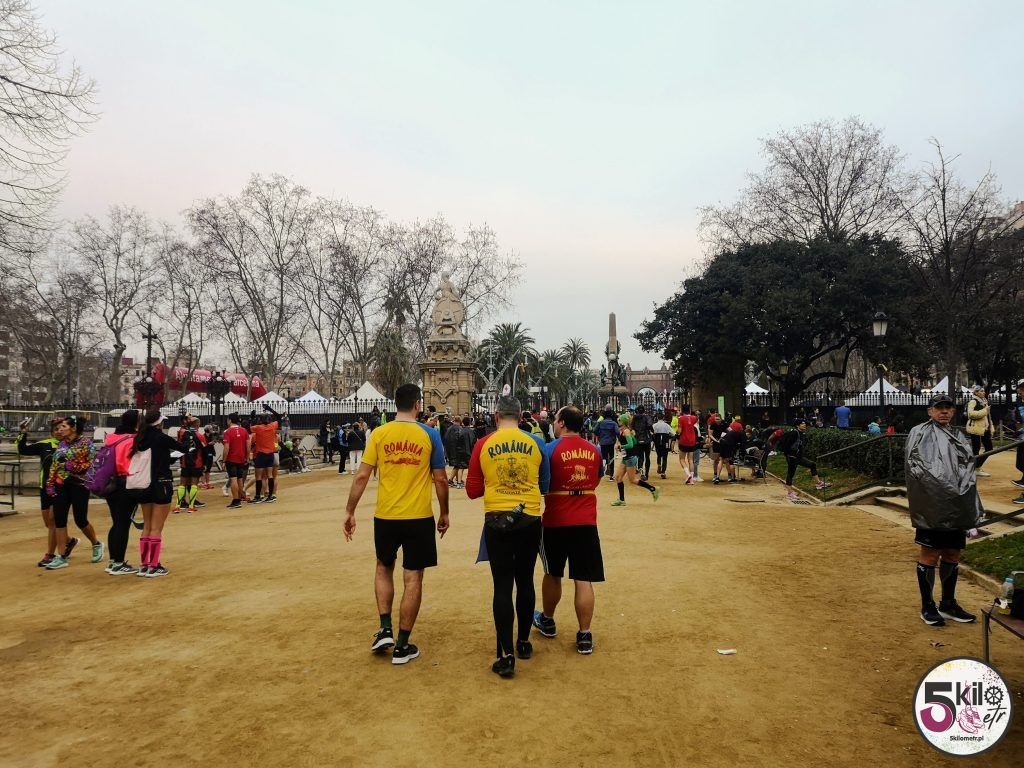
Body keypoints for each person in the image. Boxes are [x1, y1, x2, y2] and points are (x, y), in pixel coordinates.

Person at [343, 383, 450, 666]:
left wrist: (350, 511)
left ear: (395, 404)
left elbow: (362, 476)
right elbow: (440, 479)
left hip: (386, 515)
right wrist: (445, 512)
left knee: (383, 567)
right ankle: (402, 645)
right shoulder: (430, 434)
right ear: (417, 404)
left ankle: (385, 628)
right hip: (418, 516)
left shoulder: (380, 433)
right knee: (413, 577)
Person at [466, 395, 550, 678]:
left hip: (497, 519)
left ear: (497, 416)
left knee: (502, 585)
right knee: (525, 580)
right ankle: (523, 642)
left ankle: (505, 655)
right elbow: (545, 485)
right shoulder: (536, 443)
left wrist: (495, 483)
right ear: (521, 416)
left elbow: (472, 490)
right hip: (529, 518)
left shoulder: (483, 443)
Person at [533, 406, 604, 655]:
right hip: (586, 520)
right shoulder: (594, 450)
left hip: (556, 520)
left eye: (555, 420)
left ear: (562, 423)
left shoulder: (549, 449)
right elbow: (596, 479)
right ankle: (584, 634)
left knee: (552, 573)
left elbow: (542, 483)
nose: (554, 423)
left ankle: (548, 620)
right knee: (583, 578)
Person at [906, 393, 982, 625]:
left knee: (952, 553)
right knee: (930, 554)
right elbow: (916, 467)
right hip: (932, 506)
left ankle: (948, 604)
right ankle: (927, 606)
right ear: (930, 410)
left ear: (953, 411)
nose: (944, 411)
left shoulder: (958, 435)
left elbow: (967, 466)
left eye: (948, 408)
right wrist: (944, 488)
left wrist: (964, 494)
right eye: (939, 408)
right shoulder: (919, 433)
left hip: (957, 505)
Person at [43, 415, 103, 570]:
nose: (60, 430)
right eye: (59, 427)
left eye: (63, 426)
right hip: (61, 484)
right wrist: (50, 483)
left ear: (73, 428)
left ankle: (96, 543)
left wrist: (73, 467)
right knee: (59, 519)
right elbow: (55, 464)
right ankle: (61, 556)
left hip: (79, 484)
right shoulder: (62, 444)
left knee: (80, 519)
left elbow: (92, 464)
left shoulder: (86, 443)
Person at [130, 409, 186, 578]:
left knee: (147, 526)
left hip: (143, 484)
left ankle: (144, 564)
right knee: (156, 527)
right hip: (161, 483)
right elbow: (182, 448)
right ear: (159, 423)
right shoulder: (161, 438)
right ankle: (154, 565)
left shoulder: (139, 438)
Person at [15, 417, 67, 567]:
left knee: (53, 520)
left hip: (62, 488)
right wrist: (23, 432)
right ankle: (69, 541)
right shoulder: (45, 444)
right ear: (51, 432)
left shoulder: (71, 446)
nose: (59, 431)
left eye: (61, 428)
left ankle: (50, 554)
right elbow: (22, 450)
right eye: (55, 429)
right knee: (48, 523)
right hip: (45, 488)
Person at [103, 410, 143, 574]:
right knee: (123, 524)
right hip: (126, 482)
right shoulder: (133, 439)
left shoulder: (111, 438)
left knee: (116, 523)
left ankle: (113, 561)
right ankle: (119, 563)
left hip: (110, 483)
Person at [769, 418, 829, 502]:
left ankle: (818, 483)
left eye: (804, 423)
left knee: (812, 465)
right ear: (797, 426)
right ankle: (790, 493)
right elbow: (787, 446)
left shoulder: (801, 433)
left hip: (799, 457)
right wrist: (788, 455)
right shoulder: (794, 433)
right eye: (802, 423)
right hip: (792, 457)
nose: (804, 425)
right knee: (791, 474)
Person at [611, 413, 660, 506]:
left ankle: (653, 489)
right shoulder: (624, 430)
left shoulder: (626, 431)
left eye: (620, 420)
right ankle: (621, 500)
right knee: (618, 477)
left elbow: (630, 445)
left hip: (630, 458)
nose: (618, 422)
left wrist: (621, 447)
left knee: (632, 480)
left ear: (624, 422)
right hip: (626, 457)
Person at [174, 415, 207, 513]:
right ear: (196, 424)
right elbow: (204, 450)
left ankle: (177, 506)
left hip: (185, 463)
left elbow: (179, 446)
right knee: (194, 484)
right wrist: (204, 464)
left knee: (182, 484)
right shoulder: (200, 436)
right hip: (197, 463)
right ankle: (191, 506)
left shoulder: (182, 433)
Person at [251, 406, 281, 503]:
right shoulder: (272, 426)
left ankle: (258, 496)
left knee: (259, 477)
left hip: (261, 455)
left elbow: (249, 427)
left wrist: (252, 417)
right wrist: (270, 409)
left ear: (260, 420)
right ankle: (271, 496)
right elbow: (279, 417)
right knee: (270, 475)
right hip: (270, 454)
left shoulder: (258, 428)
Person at [221, 412, 250, 509]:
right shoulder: (244, 430)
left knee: (233, 478)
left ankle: (236, 500)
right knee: (240, 478)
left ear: (229, 420)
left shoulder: (227, 432)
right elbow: (248, 445)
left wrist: (223, 460)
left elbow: (226, 447)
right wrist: (247, 457)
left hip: (231, 458)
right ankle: (240, 497)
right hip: (241, 458)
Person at [965, 385, 993, 477]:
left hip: (985, 429)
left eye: (983, 391)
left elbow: (988, 417)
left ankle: (976, 467)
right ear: (976, 393)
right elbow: (970, 414)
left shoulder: (985, 402)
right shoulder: (973, 401)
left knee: (989, 449)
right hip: (975, 428)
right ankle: (974, 469)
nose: (983, 392)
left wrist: (991, 426)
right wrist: (984, 411)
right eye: (981, 391)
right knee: (976, 450)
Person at [593, 408, 619, 480]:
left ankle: (603, 470)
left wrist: (599, 435)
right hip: (611, 442)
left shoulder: (601, 422)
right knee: (611, 457)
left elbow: (594, 430)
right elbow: (617, 432)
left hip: (603, 442)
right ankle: (611, 475)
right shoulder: (613, 423)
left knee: (603, 457)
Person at [676, 406, 699, 484]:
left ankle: (688, 474)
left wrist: (677, 432)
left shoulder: (681, 418)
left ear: (682, 411)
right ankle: (691, 479)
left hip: (684, 440)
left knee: (682, 459)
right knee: (690, 460)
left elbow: (679, 431)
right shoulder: (694, 418)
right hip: (692, 440)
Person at [631, 405, 653, 480]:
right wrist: (652, 431)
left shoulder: (634, 418)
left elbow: (632, 427)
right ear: (644, 410)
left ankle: (641, 471)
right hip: (646, 439)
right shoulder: (647, 417)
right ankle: (646, 474)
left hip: (638, 439)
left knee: (640, 457)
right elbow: (650, 425)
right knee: (647, 457)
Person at [652, 413, 674, 480]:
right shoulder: (666, 425)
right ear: (663, 418)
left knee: (658, 455)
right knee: (665, 457)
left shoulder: (654, 425)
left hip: (657, 442)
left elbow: (651, 433)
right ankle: (663, 472)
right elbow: (673, 433)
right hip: (665, 442)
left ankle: (659, 464)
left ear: (657, 418)